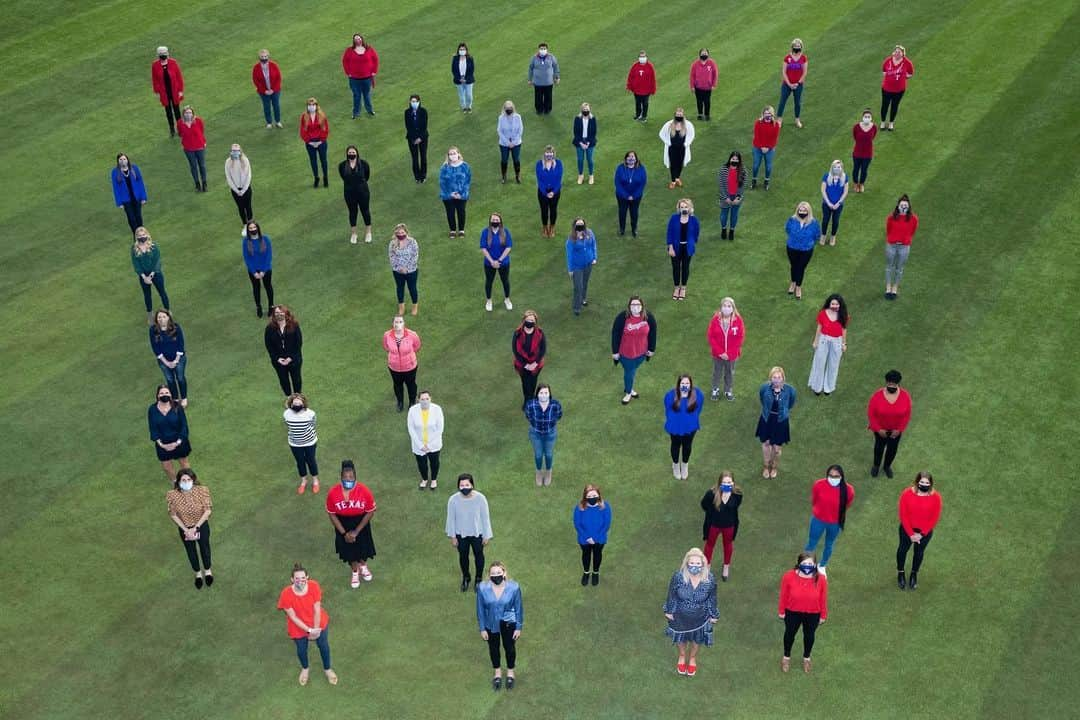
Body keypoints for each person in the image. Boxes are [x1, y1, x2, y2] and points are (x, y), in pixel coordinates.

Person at [277, 564, 337, 686]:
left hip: (318, 624)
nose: (300, 581)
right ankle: (305, 669)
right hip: (298, 628)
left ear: (307, 577)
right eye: (297, 578)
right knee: (301, 650)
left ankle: (328, 669)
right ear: (292, 580)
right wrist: (309, 630)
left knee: (324, 647)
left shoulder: (314, 586)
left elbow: (317, 609)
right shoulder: (286, 594)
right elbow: (292, 617)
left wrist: (315, 629)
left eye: (303, 577)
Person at [663, 547, 719, 677]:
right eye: (692, 563)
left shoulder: (709, 579)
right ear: (687, 563)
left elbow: (712, 598)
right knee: (681, 638)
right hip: (679, 616)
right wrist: (669, 610)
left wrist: (713, 614)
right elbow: (671, 594)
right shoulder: (678, 577)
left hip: (700, 617)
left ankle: (692, 658)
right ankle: (682, 656)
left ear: (703, 564)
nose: (695, 566)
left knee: (696, 639)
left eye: (698, 563)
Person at [326, 460, 377, 588]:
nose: (348, 479)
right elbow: (331, 514)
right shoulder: (333, 493)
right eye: (345, 477)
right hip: (342, 525)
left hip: (361, 524)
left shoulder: (364, 491)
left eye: (351, 477)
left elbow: (370, 512)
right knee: (349, 550)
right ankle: (355, 571)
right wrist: (344, 533)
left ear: (355, 477)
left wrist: (357, 531)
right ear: (341, 477)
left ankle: (363, 566)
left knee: (363, 547)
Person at [476, 561, 523, 691]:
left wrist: (518, 627)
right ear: (489, 575)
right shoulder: (482, 588)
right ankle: (497, 672)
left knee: (510, 648)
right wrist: (482, 628)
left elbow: (519, 608)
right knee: (493, 648)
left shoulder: (514, 587)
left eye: (498, 572)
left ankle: (510, 672)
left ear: (504, 573)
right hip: (490, 623)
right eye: (493, 573)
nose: (496, 575)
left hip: (509, 622)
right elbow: (480, 610)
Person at [778, 552, 828, 673]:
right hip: (792, 612)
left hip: (813, 614)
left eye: (810, 564)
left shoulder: (821, 579)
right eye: (804, 563)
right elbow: (783, 595)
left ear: (815, 564)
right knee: (789, 635)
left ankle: (807, 658)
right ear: (799, 563)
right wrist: (781, 611)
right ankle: (786, 657)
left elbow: (823, 598)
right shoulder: (788, 576)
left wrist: (823, 615)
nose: (807, 566)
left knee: (809, 636)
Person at [166, 468, 213, 589]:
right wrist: (186, 530)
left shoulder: (202, 490)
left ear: (193, 480)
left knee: (205, 548)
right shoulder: (172, 495)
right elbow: (173, 514)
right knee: (191, 551)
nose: (186, 482)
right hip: (184, 528)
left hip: (201, 525)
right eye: (183, 480)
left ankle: (207, 570)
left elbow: (207, 510)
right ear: (179, 481)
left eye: (188, 479)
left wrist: (196, 527)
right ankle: (198, 573)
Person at [446, 473, 493, 592]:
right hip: (460, 534)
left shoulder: (480, 498)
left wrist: (486, 535)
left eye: (467, 484)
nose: (464, 487)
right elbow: (451, 519)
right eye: (461, 485)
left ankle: (478, 579)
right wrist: (453, 537)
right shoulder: (453, 500)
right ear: (458, 486)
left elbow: (485, 517)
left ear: (472, 484)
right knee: (463, 556)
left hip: (477, 533)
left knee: (479, 555)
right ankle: (466, 577)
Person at [805, 465, 855, 573]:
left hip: (834, 524)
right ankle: (806, 564)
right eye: (831, 475)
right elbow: (814, 500)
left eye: (836, 476)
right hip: (818, 520)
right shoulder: (819, 484)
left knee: (829, 544)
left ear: (841, 477)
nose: (833, 478)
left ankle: (822, 566)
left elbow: (847, 505)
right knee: (811, 543)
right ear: (827, 475)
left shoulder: (849, 490)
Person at [897, 472, 941, 590]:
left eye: (927, 483)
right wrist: (911, 534)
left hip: (924, 533)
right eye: (922, 482)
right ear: (917, 482)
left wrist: (921, 534)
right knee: (902, 550)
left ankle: (913, 574)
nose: (924, 485)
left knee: (919, 553)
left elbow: (934, 518)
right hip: (907, 530)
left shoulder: (936, 497)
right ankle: (901, 573)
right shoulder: (906, 494)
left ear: (931, 484)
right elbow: (903, 515)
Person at [611, 295, 657, 404]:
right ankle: (628, 392)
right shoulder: (622, 317)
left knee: (632, 371)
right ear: (629, 307)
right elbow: (615, 334)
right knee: (629, 373)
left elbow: (653, 333)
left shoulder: (648, 317)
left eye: (638, 304)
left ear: (642, 306)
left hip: (641, 352)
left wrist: (651, 349)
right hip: (626, 353)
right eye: (633, 305)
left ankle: (629, 387)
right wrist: (615, 352)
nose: (635, 307)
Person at [868, 370, 912, 478]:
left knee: (892, 450)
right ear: (886, 383)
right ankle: (876, 466)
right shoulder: (877, 396)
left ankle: (887, 467)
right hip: (880, 431)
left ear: (898, 384)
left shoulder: (905, 396)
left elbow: (907, 414)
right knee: (879, 448)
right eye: (889, 384)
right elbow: (871, 413)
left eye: (894, 384)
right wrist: (878, 429)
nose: (891, 386)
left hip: (895, 432)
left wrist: (899, 430)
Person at [756, 366, 796, 478]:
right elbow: (762, 399)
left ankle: (774, 466)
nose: (777, 380)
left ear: (783, 378)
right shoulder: (764, 388)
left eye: (779, 377)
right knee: (766, 443)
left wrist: (783, 412)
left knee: (777, 448)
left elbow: (791, 403)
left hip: (781, 421)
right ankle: (766, 466)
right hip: (767, 419)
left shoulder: (790, 390)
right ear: (771, 378)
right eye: (774, 377)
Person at [700, 471, 741, 579]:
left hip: (729, 525)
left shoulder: (737, 494)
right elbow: (704, 504)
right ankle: (707, 567)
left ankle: (726, 566)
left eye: (729, 482)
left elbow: (736, 507)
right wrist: (711, 513)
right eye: (724, 482)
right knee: (709, 545)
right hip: (714, 525)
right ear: (719, 483)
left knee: (727, 545)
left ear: (733, 483)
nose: (727, 484)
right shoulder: (712, 493)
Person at [664, 374, 704, 480]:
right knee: (675, 445)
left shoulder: (698, 395)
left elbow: (699, 409)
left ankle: (685, 465)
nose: (685, 385)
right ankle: (676, 466)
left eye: (687, 383)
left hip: (690, 427)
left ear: (691, 384)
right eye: (682, 383)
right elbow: (668, 411)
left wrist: (691, 420)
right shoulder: (670, 395)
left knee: (687, 446)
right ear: (678, 384)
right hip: (675, 427)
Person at [148, 384, 191, 483]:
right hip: (163, 443)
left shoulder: (177, 407)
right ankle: (175, 482)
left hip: (179, 441)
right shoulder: (152, 410)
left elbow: (184, 425)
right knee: (166, 467)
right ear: (157, 395)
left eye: (167, 392)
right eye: (162, 393)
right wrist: (162, 445)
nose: (164, 395)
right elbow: (153, 428)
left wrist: (178, 442)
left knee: (184, 463)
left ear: (171, 394)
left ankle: (188, 482)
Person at [808, 294, 849, 396]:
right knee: (819, 363)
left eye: (836, 304)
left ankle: (828, 388)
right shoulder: (822, 314)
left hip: (837, 341)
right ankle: (817, 387)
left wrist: (844, 343)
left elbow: (844, 330)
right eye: (833, 303)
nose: (834, 306)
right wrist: (815, 341)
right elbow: (819, 328)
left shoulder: (844, 315)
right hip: (823, 339)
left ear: (840, 305)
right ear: (829, 303)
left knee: (833, 365)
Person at [706, 297, 745, 401]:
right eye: (724, 306)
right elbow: (711, 337)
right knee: (717, 372)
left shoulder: (738, 321)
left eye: (729, 306)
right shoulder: (715, 320)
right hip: (718, 355)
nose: (726, 308)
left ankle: (728, 390)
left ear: (733, 308)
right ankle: (715, 389)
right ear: (721, 307)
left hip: (732, 355)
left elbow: (740, 338)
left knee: (729, 373)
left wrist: (730, 353)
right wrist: (720, 352)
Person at [524, 383, 563, 486]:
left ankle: (548, 472)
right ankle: (539, 472)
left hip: (550, 434)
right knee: (538, 455)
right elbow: (528, 416)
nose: (543, 395)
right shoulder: (531, 404)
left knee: (549, 454)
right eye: (541, 392)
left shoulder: (555, 405)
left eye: (546, 392)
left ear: (549, 394)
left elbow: (559, 415)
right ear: (537, 394)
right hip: (535, 434)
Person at [574, 485, 611, 586]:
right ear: (585, 497)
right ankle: (586, 573)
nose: (592, 498)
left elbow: (606, 524)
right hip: (584, 539)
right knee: (586, 555)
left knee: (597, 555)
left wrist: (596, 538)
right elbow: (577, 524)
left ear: (598, 495)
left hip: (600, 539)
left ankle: (595, 573)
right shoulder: (579, 507)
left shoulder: (605, 506)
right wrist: (587, 538)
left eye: (594, 495)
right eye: (589, 496)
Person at [383, 315, 421, 411]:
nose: (398, 324)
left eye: (400, 322)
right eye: (396, 322)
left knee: (411, 385)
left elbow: (417, 346)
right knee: (397, 385)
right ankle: (400, 402)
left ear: (404, 324)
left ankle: (412, 402)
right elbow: (386, 347)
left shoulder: (412, 335)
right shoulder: (387, 335)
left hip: (410, 367)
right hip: (394, 367)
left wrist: (407, 356)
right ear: (393, 324)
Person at [150, 309, 188, 407]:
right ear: (156, 319)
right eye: (159, 317)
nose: (161, 319)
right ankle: (175, 399)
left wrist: (176, 360)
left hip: (179, 358)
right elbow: (155, 348)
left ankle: (184, 398)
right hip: (163, 361)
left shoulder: (176, 327)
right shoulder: (153, 330)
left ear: (168, 317)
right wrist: (166, 362)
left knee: (180, 378)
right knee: (170, 380)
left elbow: (181, 344)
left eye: (164, 317)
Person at [407, 390, 444, 491]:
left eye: (427, 399)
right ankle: (424, 479)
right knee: (421, 464)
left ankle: (434, 480)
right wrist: (420, 445)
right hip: (419, 445)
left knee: (434, 462)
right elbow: (411, 429)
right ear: (418, 400)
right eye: (422, 399)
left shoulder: (437, 409)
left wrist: (430, 445)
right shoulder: (412, 410)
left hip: (434, 444)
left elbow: (440, 428)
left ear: (430, 398)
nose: (425, 401)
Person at [885, 194, 919, 299]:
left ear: (908, 206)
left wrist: (905, 239)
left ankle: (895, 287)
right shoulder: (891, 217)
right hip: (891, 245)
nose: (903, 207)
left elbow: (912, 231)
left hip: (904, 246)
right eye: (902, 205)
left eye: (905, 205)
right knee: (889, 267)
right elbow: (888, 229)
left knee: (899, 268)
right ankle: (888, 287)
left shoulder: (913, 219)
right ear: (898, 206)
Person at [284, 392, 319, 495]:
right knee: (300, 462)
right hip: (295, 444)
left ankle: (315, 481)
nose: (297, 405)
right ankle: (304, 481)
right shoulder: (286, 414)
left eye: (299, 403)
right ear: (291, 404)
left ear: (303, 404)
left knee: (311, 461)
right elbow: (288, 424)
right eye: (295, 403)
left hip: (310, 442)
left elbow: (313, 424)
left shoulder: (310, 413)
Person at [132, 228, 170, 323]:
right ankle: (150, 315)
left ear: (147, 235)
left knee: (162, 292)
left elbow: (156, 262)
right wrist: (144, 277)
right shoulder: (134, 249)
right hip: (144, 276)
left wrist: (151, 275)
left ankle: (168, 312)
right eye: (139, 236)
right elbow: (136, 264)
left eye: (143, 235)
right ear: (136, 237)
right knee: (147, 295)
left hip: (155, 273)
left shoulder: (154, 246)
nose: (142, 237)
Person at [785, 201, 820, 299]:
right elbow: (787, 230)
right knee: (793, 266)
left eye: (804, 210)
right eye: (800, 210)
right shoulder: (792, 220)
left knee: (801, 268)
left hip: (806, 250)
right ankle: (793, 283)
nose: (802, 212)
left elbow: (817, 235)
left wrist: (807, 242)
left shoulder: (813, 223)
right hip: (792, 248)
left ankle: (798, 287)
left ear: (808, 211)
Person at [264, 305, 303, 396]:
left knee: (296, 379)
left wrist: (291, 357)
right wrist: (277, 358)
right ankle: (289, 397)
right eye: (277, 313)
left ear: (286, 314)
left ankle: (298, 397)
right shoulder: (270, 328)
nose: (279, 314)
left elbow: (298, 343)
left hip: (294, 359)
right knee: (283, 380)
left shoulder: (294, 325)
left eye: (281, 312)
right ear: (274, 315)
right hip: (279, 361)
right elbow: (269, 346)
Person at [666, 198, 699, 300]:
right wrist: (670, 247)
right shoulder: (674, 218)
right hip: (675, 247)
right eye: (682, 207)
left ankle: (683, 288)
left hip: (687, 248)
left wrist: (692, 243)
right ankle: (676, 288)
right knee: (676, 268)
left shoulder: (694, 220)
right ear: (679, 208)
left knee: (685, 267)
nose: (684, 209)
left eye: (686, 207)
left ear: (690, 208)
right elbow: (669, 233)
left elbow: (696, 233)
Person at [339, 145, 372, 244]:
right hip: (349, 193)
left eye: (353, 153)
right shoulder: (342, 165)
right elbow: (343, 177)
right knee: (352, 212)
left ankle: (368, 233)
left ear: (357, 153)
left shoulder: (363, 164)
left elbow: (367, 176)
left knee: (365, 211)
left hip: (363, 192)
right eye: (350, 153)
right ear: (347, 154)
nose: (351, 154)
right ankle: (354, 234)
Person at [512, 310, 546, 405]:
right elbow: (515, 350)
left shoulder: (540, 333)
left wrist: (534, 363)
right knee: (525, 383)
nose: (530, 322)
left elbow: (543, 349)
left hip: (536, 364)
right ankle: (528, 400)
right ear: (524, 320)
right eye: (528, 320)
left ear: (535, 322)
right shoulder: (517, 333)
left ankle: (531, 399)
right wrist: (526, 365)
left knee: (533, 382)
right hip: (522, 364)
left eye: (532, 320)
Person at [565, 217, 598, 315]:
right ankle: (576, 307)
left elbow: (593, 245)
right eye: (578, 224)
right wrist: (570, 269)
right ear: (574, 226)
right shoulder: (571, 239)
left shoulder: (589, 233)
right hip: (577, 267)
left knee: (585, 282)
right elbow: (569, 255)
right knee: (578, 287)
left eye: (582, 224)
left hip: (588, 264)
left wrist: (594, 257)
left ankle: (583, 298)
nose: (580, 226)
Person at [480, 213, 512, 311]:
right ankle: (489, 301)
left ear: (500, 221)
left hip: (503, 263)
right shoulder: (485, 232)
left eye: (497, 220)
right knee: (489, 281)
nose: (495, 221)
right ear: (490, 221)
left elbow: (508, 247)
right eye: (493, 220)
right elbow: (483, 248)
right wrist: (492, 261)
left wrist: (499, 260)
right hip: (489, 263)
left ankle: (507, 299)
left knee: (505, 281)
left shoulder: (505, 231)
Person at [342, 34, 379, 118]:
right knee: (356, 96)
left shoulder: (369, 49)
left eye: (359, 38)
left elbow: (375, 59)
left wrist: (374, 71)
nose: (357, 40)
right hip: (354, 78)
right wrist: (348, 72)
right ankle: (356, 113)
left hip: (367, 77)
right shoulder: (349, 50)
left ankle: (369, 110)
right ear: (353, 41)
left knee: (366, 95)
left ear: (362, 39)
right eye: (355, 39)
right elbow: (345, 61)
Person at [111, 153, 148, 237]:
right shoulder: (115, 172)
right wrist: (119, 203)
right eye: (120, 159)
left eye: (124, 159)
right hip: (126, 200)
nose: (123, 161)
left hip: (136, 197)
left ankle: (143, 235)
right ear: (118, 161)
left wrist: (143, 197)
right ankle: (136, 236)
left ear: (127, 160)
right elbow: (115, 188)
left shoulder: (134, 169)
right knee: (131, 218)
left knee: (138, 217)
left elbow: (140, 183)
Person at [242, 221, 274, 318]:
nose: (253, 230)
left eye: (254, 227)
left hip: (266, 269)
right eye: (250, 228)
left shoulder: (265, 239)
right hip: (253, 270)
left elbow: (269, 256)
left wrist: (264, 271)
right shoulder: (246, 242)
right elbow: (246, 258)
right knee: (256, 288)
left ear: (258, 228)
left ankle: (271, 307)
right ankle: (258, 307)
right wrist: (254, 272)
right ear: (248, 230)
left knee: (268, 287)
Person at [151, 46, 184, 137]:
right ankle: (172, 128)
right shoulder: (155, 65)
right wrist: (157, 92)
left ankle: (180, 128)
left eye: (164, 54)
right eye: (161, 55)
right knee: (168, 111)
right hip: (164, 92)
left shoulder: (173, 63)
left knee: (177, 110)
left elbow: (179, 77)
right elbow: (155, 80)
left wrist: (180, 90)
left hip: (174, 91)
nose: (163, 56)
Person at [439, 146, 472, 237]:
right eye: (450, 154)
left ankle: (461, 230)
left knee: (461, 211)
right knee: (450, 212)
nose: (453, 155)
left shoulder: (465, 166)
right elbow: (442, 182)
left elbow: (467, 181)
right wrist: (450, 193)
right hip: (447, 195)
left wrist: (460, 194)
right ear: (448, 156)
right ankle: (452, 230)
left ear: (458, 154)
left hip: (461, 195)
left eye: (454, 153)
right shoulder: (444, 167)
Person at [659, 108, 695, 189]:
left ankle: (677, 178)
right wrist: (668, 143)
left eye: (680, 115)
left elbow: (691, 135)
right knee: (673, 164)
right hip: (672, 148)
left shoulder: (688, 125)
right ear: (675, 115)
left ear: (683, 115)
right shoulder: (669, 124)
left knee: (680, 163)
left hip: (682, 148)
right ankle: (673, 181)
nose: (679, 116)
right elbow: (661, 134)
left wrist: (686, 144)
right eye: (677, 115)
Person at [880, 45, 914, 130]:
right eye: (896, 51)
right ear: (894, 52)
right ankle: (883, 122)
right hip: (886, 89)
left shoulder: (907, 63)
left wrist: (903, 78)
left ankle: (891, 123)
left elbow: (910, 73)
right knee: (885, 105)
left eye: (899, 52)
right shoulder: (888, 60)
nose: (897, 53)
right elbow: (884, 71)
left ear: (903, 54)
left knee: (894, 106)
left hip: (899, 90)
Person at [389, 223, 420, 316]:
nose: (400, 234)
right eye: (398, 232)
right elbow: (391, 256)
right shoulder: (392, 243)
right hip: (397, 271)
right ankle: (401, 307)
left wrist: (407, 268)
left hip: (411, 270)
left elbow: (415, 255)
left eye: (402, 232)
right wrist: (399, 268)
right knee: (400, 288)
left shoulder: (412, 242)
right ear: (395, 233)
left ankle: (415, 306)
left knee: (412, 288)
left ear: (406, 232)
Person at [614, 151, 646, 237]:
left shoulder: (641, 169)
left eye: (633, 157)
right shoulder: (620, 168)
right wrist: (626, 196)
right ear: (625, 159)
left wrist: (634, 196)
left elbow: (642, 184)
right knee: (622, 212)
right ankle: (622, 229)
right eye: (629, 157)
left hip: (636, 197)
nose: (631, 158)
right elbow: (617, 183)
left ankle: (634, 229)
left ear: (636, 159)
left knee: (634, 213)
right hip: (622, 196)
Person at [777, 39, 807, 128]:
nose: (797, 48)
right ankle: (779, 120)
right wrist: (789, 84)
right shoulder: (787, 58)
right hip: (787, 84)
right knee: (782, 101)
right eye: (795, 46)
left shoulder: (803, 58)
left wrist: (798, 83)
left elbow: (804, 72)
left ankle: (797, 120)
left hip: (798, 84)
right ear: (792, 47)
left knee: (797, 102)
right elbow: (784, 72)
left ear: (801, 47)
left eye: (799, 46)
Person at [299, 98, 329, 188]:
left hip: (321, 142)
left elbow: (325, 129)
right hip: (310, 143)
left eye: (313, 105)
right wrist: (309, 141)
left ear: (316, 106)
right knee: (313, 161)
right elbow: (303, 131)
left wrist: (321, 140)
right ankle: (316, 177)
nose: (311, 107)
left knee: (323, 160)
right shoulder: (304, 116)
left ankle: (325, 177)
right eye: (309, 105)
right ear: (307, 106)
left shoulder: (322, 116)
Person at [176, 105, 207, 192]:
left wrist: (203, 142)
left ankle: (204, 183)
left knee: (202, 165)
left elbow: (201, 131)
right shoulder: (180, 123)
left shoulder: (198, 121)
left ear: (193, 114)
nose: (188, 114)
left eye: (190, 113)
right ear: (183, 114)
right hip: (188, 148)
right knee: (193, 166)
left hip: (200, 147)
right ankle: (197, 184)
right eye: (186, 113)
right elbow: (180, 133)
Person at [818, 160, 849, 247]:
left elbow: (845, 192)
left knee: (835, 221)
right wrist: (828, 202)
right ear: (832, 167)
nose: (837, 168)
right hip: (826, 204)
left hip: (838, 205)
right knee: (825, 220)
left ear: (841, 168)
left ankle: (833, 237)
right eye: (835, 167)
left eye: (838, 167)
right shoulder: (826, 176)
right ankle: (823, 236)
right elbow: (823, 190)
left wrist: (838, 203)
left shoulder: (845, 177)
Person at [717, 150, 746, 240]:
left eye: (736, 159)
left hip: (736, 197)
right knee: (724, 215)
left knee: (734, 215)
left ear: (739, 161)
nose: (734, 161)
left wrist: (738, 198)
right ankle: (724, 229)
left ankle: (732, 231)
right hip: (725, 196)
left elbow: (743, 185)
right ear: (730, 159)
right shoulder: (723, 169)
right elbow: (721, 184)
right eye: (733, 159)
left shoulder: (743, 171)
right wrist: (725, 197)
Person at [751, 106, 781, 190]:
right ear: (763, 114)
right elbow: (757, 136)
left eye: (769, 114)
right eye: (765, 113)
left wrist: (768, 147)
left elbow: (774, 139)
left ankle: (766, 181)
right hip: (758, 147)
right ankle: (754, 180)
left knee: (768, 167)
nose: (767, 115)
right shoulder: (758, 123)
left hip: (769, 149)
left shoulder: (776, 125)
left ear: (772, 115)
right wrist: (762, 147)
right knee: (756, 165)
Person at [535, 146, 563, 237]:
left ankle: (552, 227)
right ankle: (545, 228)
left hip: (555, 191)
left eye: (550, 153)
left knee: (553, 210)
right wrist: (545, 193)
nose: (549, 155)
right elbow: (539, 181)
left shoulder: (558, 164)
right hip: (543, 192)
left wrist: (553, 192)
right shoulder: (539, 164)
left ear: (553, 154)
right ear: (544, 154)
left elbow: (559, 180)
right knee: (544, 210)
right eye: (547, 153)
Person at [252, 49, 283, 128]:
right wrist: (264, 91)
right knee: (266, 106)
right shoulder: (256, 68)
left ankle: (278, 121)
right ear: (259, 57)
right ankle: (269, 122)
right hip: (263, 92)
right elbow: (256, 81)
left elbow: (278, 78)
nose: (264, 58)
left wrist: (273, 89)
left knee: (276, 105)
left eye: (265, 56)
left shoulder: (274, 65)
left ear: (268, 56)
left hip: (275, 90)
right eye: (262, 56)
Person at [225, 144, 253, 227]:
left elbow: (249, 176)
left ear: (240, 151)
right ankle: (245, 225)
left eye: (237, 150)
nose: (235, 152)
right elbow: (228, 178)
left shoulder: (245, 160)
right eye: (233, 150)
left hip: (246, 188)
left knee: (248, 206)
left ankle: (251, 224)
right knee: (241, 207)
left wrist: (244, 190)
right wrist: (237, 191)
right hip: (235, 190)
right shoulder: (228, 162)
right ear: (231, 151)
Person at [527, 43, 559, 115]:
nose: (543, 50)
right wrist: (529, 79)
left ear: (547, 49)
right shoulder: (534, 58)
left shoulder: (551, 57)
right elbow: (530, 68)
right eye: (541, 49)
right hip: (538, 83)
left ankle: (547, 110)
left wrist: (557, 77)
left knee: (548, 97)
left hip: (548, 82)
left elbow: (556, 66)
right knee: (538, 97)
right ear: (538, 49)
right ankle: (539, 110)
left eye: (544, 49)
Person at [404, 94, 429, 183]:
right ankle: (417, 177)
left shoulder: (423, 111)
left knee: (423, 157)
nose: (414, 103)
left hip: (423, 138)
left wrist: (420, 138)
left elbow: (424, 126)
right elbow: (408, 126)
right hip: (412, 139)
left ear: (419, 102)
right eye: (412, 101)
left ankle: (423, 175)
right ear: (410, 102)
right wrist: (414, 138)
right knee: (414, 158)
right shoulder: (407, 112)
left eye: (415, 101)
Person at [497, 100, 524, 184]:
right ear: (504, 108)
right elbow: (499, 131)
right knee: (504, 160)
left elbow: (520, 130)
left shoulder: (518, 117)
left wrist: (514, 142)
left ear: (513, 108)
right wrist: (508, 143)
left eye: (510, 108)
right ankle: (504, 176)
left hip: (516, 143)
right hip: (504, 143)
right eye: (507, 108)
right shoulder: (501, 118)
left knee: (516, 159)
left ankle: (518, 175)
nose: (509, 109)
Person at [627, 50, 657, 122]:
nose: (642, 58)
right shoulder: (635, 66)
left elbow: (653, 79)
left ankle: (644, 116)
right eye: (641, 56)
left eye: (643, 56)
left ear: (646, 57)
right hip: (636, 90)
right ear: (638, 57)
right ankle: (638, 115)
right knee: (637, 103)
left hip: (646, 90)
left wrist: (653, 89)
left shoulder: (650, 66)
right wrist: (629, 86)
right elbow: (630, 76)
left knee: (645, 104)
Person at [851, 108, 877, 192]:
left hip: (868, 153)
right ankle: (855, 184)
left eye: (869, 116)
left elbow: (873, 137)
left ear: (871, 118)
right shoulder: (857, 127)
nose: (867, 118)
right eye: (865, 116)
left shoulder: (874, 127)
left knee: (864, 170)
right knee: (856, 168)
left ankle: (861, 184)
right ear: (862, 117)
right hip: (857, 152)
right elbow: (855, 136)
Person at [572, 102, 597, 185]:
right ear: (581, 110)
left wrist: (588, 143)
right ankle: (580, 175)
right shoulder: (577, 119)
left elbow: (593, 132)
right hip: (579, 141)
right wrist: (581, 143)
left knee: (590, 159)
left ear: (589, 110)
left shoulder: (592, 119)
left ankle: (591, 176)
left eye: (587, 109)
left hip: (590, 141)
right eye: (584, 109)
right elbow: (575, 132)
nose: (585, 111)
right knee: (580, 160)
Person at [689, 49, 718, 120]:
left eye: (705, 53)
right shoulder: (695, 64)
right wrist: (692, 86)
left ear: (708, 54)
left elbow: (715, 74)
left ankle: (707, 115)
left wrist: (714, 85)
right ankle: (700, 114)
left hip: (708, 87)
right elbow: (692, 76)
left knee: (707, 101)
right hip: (698, 87)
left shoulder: (711, 63)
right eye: (703, 53)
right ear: (699, 54)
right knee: (699, 101)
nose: (704, 54)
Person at [452, 43, 475, 112]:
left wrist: (466, 79)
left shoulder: (470, 58)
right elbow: (453, 70)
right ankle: (464, 107)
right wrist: (459, 78)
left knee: (469, 96)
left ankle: (469, 106)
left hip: (468, 80)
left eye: (463, 49)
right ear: (458, 50)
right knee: (461, 96)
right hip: (459, 80)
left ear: (466, 50)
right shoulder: (455, 58)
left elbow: (472, 70)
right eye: (460, 49)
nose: (462, 50)